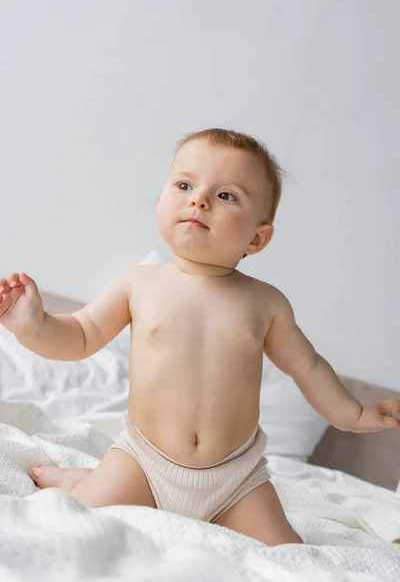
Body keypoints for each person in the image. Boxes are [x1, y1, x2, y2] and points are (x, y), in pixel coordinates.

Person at [1, 128, 399, 548]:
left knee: (290, 556)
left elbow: (309, 367)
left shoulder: (266, 304)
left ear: (257, 238)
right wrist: (33, 324)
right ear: (161, 203)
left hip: (236, 478)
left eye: (226, 195)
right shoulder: (137, 284)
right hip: (145, 463)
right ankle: (78, 481)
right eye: (185, 185)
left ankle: (88, 480)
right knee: (76, 529)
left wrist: (354, 415)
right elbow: (80, 335)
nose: (199, 200)